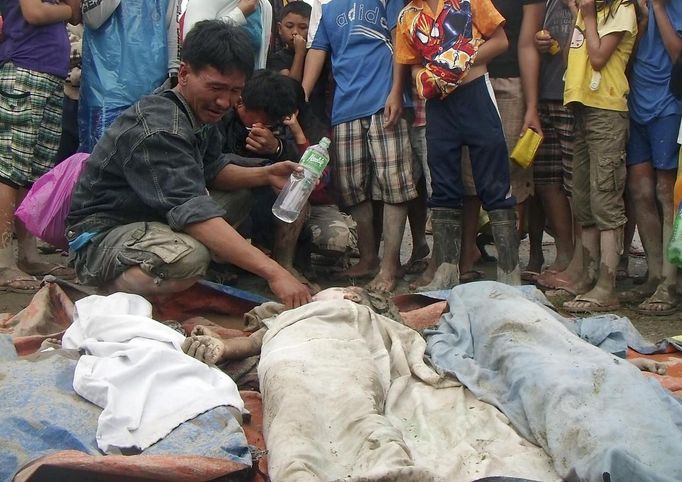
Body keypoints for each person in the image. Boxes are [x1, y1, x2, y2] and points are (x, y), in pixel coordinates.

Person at [66, 20, 312, 309]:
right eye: (216, 88)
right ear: (184, 73)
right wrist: (275, 272)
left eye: (235, 92)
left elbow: (213, 170)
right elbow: (193, 213)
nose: (224, 101)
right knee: (188, 257)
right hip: (101, 237)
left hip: (149, 220)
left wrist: (267, 173)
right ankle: (109, 289)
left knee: (242, 193)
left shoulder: (198, 113)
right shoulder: (161, 128)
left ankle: (164, 269)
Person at [396, 0, 520, 290]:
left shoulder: (467, 2)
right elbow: (413, 62)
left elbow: (500, 41)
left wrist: (460, 59)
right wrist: (422, 76)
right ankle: (446, 271)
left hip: (475, 93)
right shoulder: (408, 17)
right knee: (442, 184)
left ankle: (509, 272)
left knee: (494, 181)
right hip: (438, 103)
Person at [302, 0, 419, 292]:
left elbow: (399, 40)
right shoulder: (328, 8)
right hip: (345, 106)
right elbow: (318, 49)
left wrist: (396, 92)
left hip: (385, 102)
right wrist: (301, 93)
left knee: (394, 184)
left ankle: (390, 266)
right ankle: (368, 258)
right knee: (352, 187)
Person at [561, 0, 637, 313]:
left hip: (607, 111)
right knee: (583, 199)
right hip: (581, 108)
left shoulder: (622, 10)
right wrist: (577, 13)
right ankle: (587, 276)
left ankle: (607, 285)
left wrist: (588, 17)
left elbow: (597, 58)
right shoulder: (587, 11)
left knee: (606, 198)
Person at [0, 0, 81, 292]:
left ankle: (27, 253)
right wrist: (67, 11)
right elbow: (35, 12)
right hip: (25, 68)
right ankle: (3, 261)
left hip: (46, 71)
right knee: (11, 168)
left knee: (33, 170)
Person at [620, 0, 681, 315]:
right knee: (639, 189)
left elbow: (676, 54)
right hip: (637, 98)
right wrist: (643, 17)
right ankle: (654, 273)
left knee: (665, 191)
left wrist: (657, 8)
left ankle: (670, 283)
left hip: (669, 100)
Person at [78, 0, 180, 152]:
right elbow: (93, 18)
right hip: (106, 93)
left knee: (145, 163)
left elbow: (172, 29)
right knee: (99, 162)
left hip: (153, 93)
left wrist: (174, 76)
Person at [183, 0, 272, 69]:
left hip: (246, 87)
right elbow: (193, 43)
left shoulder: (264, 5)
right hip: (212, 84)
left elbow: (261, 61)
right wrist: (239, 14)